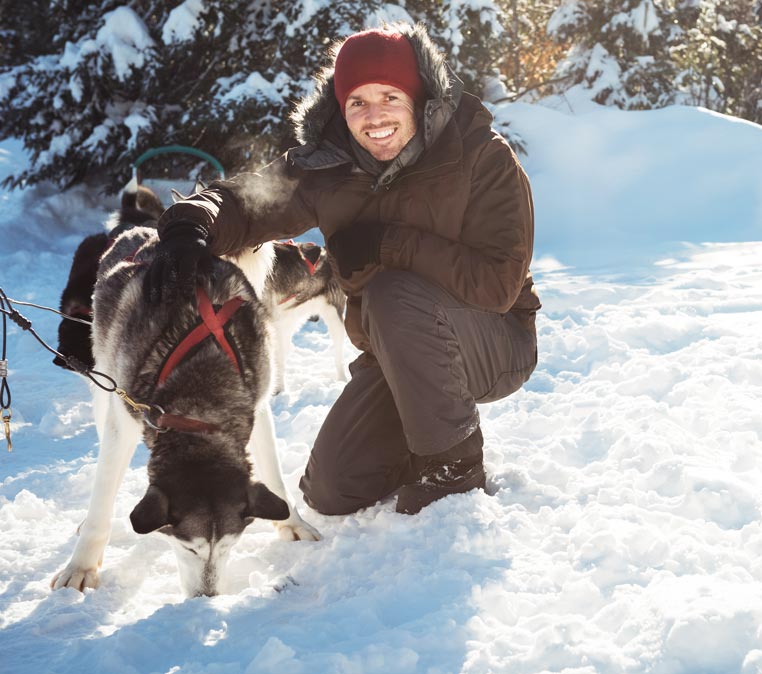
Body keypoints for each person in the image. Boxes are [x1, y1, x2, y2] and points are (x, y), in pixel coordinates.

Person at [144, 23, 541, 515]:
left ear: (419, 98)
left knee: (390, 292)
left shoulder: (481, 156)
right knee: (332, 491)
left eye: (390, 96)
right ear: (340, 108)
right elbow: (248, 203)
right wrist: (191, 223)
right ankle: (421, 440)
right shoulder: (328, 168)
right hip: (397, 349)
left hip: (496, 340)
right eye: (357, 102)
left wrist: (389, 243)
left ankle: (453, 465)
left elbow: (498, 284)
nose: (374, 117)